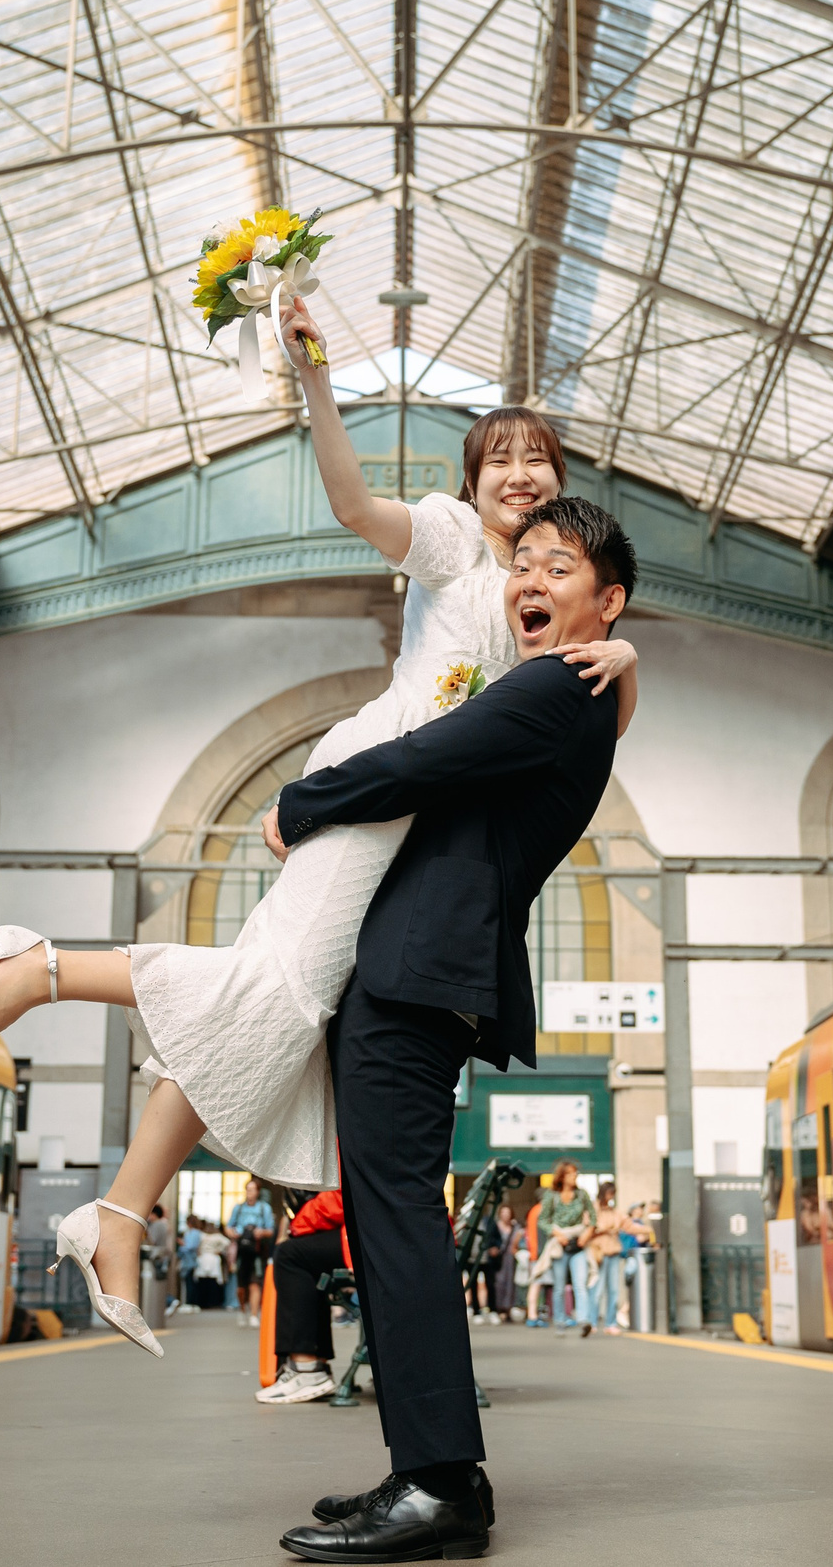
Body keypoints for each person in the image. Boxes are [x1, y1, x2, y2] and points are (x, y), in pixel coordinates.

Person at [0, 315, 641, 1357]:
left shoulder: (552, 594)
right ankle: (35, 969)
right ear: (472, 481)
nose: (520, 475)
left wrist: (624, 654)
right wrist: (316, 379)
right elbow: (353, 504)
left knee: (275, 997)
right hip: (372, 788)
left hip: (419, 819)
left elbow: (596, 725)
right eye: (498, 460)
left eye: (537, 458)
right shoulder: (454, 543)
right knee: (282, 991)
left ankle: (121, 1215)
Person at [272, 496, 635, 1564]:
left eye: (558, 567)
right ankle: (427, 1466)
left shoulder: (560, 685)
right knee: (387, 1221)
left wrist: (302, 801)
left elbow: (425, 758)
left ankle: (439, 1484)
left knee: (393, 1219)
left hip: (421, 970)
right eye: (520, 562)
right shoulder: (579, 686)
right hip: (422, 969)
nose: (528, 579)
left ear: (605, 603)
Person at [256, 1187, 348, 1405]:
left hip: (382, 1233)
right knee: (311, 1258)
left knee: (289, 1255)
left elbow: (344, 1196)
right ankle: (317, 1364)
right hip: (405, 1229)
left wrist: (297, 1225)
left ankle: (306, 1367)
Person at [574, 1184, 653, 1337]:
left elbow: (629, 1226)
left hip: (614, 1253)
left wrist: (649, 1229)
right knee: (596, 1290)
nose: (610, 1197)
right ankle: (592, 1321)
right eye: (609, 1194)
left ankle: (611, 1323)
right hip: (598, 1254)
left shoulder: (616, 1212)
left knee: (614, 1290)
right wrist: (603, 1229)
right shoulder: (592, 1209)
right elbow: (587, 1228)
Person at [530, 1165, 593, 1331]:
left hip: (578, 1242)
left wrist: (586, 1234)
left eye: (576, 1173)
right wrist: (557, 1234)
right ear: (563, 1176)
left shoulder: (582, 1195)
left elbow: (593, 1218)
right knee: (559, 1286)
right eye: (571, 1174)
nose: (575, 1177)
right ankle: (559, 1321)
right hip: (560, 1244)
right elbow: (542, 1220)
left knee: (580, 1283)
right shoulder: (552, 1196)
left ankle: (583, 1320)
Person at [228, 1180, 277, 1327]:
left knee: (255, 1283)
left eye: (252, 1190)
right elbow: (228, 1226)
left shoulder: (264, 1208)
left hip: (257, 1249)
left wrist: (261, 1232)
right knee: (241, 1286)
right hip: (242, 1249)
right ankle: (243, 1309)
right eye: (247, 1189)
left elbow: (271, 1230)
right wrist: (234, 1234)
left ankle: (254, 1314)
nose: (249, 1193)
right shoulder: (239, 1208)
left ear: (257, 1192)